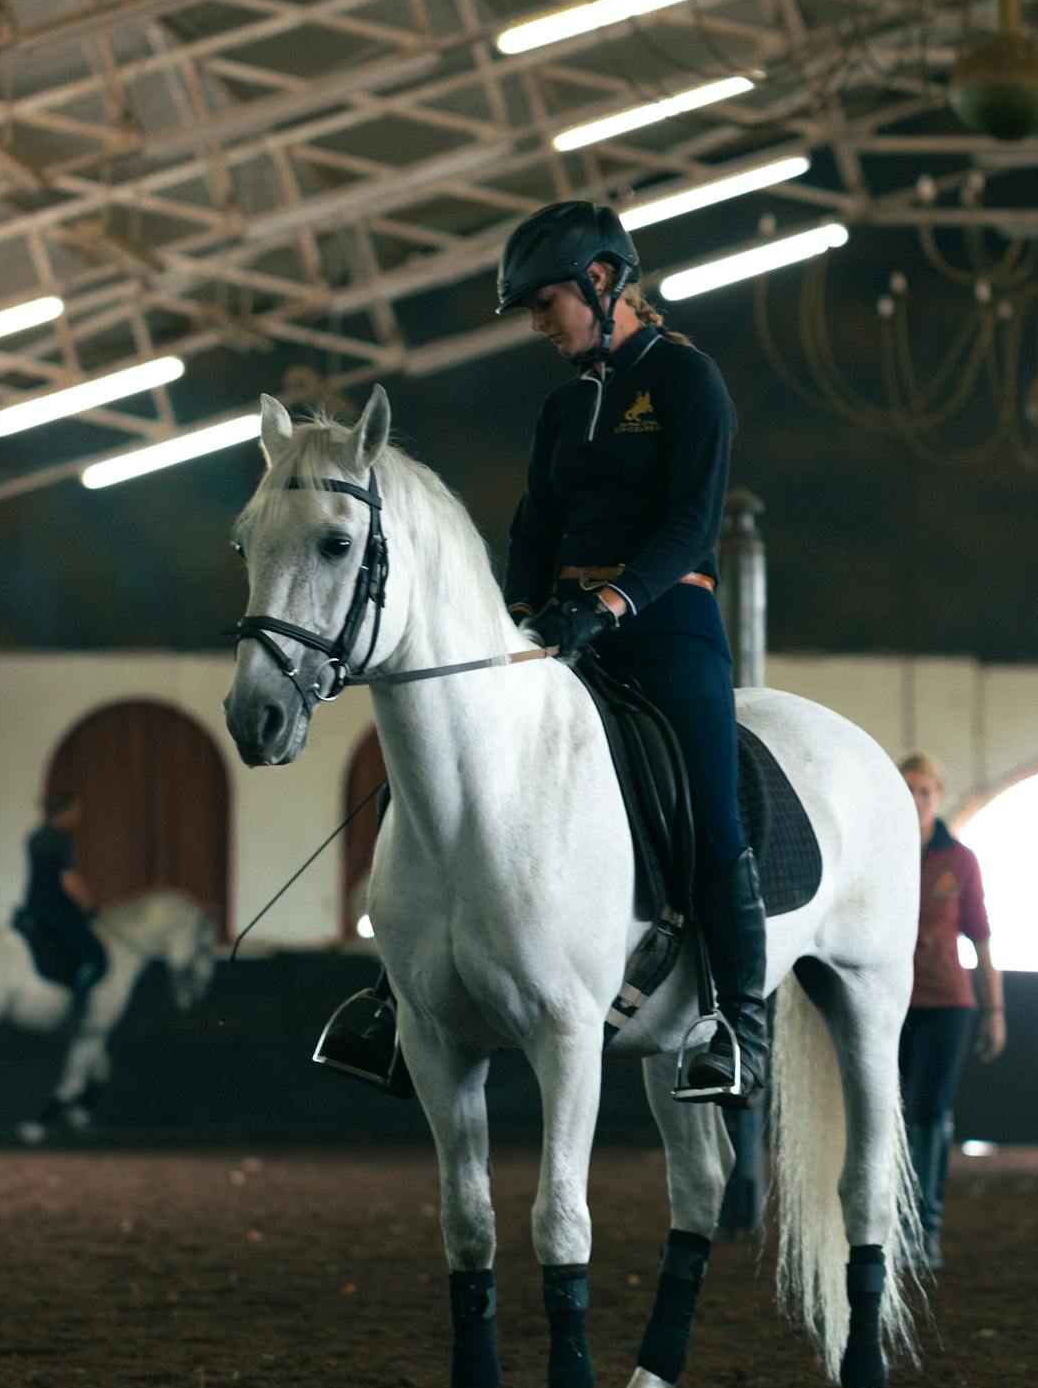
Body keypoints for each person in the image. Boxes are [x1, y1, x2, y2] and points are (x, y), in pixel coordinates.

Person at [318, 200, 767, 1106]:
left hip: (666, 623)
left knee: (711, 814)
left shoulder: (687, 381)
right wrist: (519, 614)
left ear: (602, 283)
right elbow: (531, 530)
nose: (536, 324)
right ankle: (396, 993)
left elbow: (690, 525)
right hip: (560, 631)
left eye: (544, 303)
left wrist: (609, 599)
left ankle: (738, 1024)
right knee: (440, 774)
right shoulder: (564, 408)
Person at [898, 752, 1004, 1267]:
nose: (916, 799)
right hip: (886, 1000)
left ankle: (924, 1226)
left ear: (939, 795)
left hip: (944, 1002)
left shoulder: (960, 861)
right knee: (887, 1114)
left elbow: (981, 940)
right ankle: (886, 1222)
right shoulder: (878, 850)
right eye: (908, 788)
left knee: (927, 1112)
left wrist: (995, 1009)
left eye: (924, 791)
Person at [19, 794, 107, 1026]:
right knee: (96, 956)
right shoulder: (61, 840)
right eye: (74, 812)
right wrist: (90, 906)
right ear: (64, 813)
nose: (77, 817)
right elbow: (70, 881)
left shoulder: (35, 837)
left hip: (33, 908)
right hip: (56, 910)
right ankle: (77, 1005)